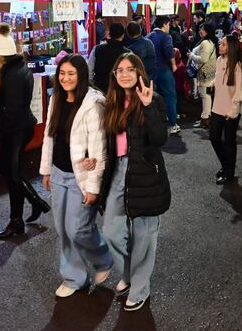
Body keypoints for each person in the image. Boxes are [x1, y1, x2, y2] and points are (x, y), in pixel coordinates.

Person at [99, 53, 170, 312]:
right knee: (112, 232)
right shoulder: (113, 102)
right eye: (120, 70)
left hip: (146, 173)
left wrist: (149, 106)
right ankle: (129, 274)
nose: (125, 74)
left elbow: (161, 139)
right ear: (114, 76)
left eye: (130, 69)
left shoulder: (154, 99)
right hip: (118, 171)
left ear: (140, 72)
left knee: (145, 237)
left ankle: (140, 288)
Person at [38, 54, 113, 298]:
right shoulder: (56, 98)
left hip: (83, 176)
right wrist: (47, 169)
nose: (66, 78)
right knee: (62, 228)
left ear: (81, 75)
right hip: (59, 173)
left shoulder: (94, 103)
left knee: (79, 228)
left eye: (71, 73)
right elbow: (49, 137)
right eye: (62, 73)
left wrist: (93, 187)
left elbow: (99, 148)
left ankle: (102, 258)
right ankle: (74, 277)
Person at [0, 23, 48, 239]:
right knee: (9, 172)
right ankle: (35, 203)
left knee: (11, 174)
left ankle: (17, 221)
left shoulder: (11, 74)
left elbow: (11, 111)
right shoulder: (14, 68)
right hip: (19, 128)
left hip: (17, 129)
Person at [210, 35, 242, 185]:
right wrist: (212, 83)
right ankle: (226, 165)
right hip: (217, 107)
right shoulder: (219, 60)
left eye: (223, 44)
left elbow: (239, 91)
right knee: (214, 137)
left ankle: (229, 172)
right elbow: (219, 79)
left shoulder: (237, 66)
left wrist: (233, 111)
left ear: (230, 47)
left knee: (229, 142)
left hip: (231, 111)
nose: (220, 45)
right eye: (220, 43)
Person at [146, 16, 180, 134]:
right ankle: (172, 123)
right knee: (170, 96)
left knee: (155, 97)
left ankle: (159, 121)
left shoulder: (148, 36)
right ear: (165, 25)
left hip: (151, 72)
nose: (169, 27)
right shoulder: (166, 36)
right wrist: (174, 65)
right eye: (169, 25)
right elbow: (169, 51)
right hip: (164, 70)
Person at [188, 22, 218, 129]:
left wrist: (191, 56)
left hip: (205, 74)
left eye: (203, 29)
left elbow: (203, 59)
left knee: (205, 96)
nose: (201, 31)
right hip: (209, 73)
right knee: (207, 96)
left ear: (208, 31)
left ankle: (205, 118)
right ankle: (206, 118)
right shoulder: (210, 41)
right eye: (200, 29)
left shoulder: (205, 43)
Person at [88, 23, 129, 94]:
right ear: (123, 35)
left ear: (109, 34)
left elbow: (89, 71)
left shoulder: (97, 49)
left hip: (100, 89)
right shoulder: (128, 53)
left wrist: (93, 86)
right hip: (120, 90)